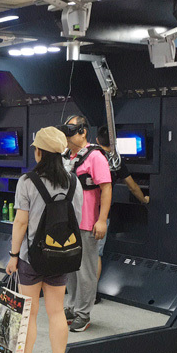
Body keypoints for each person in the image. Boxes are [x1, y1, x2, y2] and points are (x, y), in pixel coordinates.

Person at [7, 127, 83, 353]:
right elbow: (77, 219)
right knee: (56, 312)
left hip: (31, 258)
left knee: (28, 313)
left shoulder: (27, 181)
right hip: (61, 255)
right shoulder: (74, 182)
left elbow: (21, 222)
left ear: (39, 152)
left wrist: (13, 255)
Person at [59, 115, 112, 332]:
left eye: (71, 131)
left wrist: (102, 220)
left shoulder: (95, 157)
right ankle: (72, 307)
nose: (67, 135)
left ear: (83, 132)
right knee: (70, 269)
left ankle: (83, 313)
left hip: (87, 223)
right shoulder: (66, 157)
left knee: (85, 271)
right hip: (68, 222)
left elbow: (106, 188)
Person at [93, 126, 149, 302]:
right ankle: (92, 294)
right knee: (96, 254)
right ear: (114, 142)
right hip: (102, 214)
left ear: (97, 140)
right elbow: (132, 186)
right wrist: (144, 200)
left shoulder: (89, 157)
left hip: (84, 212)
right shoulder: (116, 162)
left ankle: (79, 292)